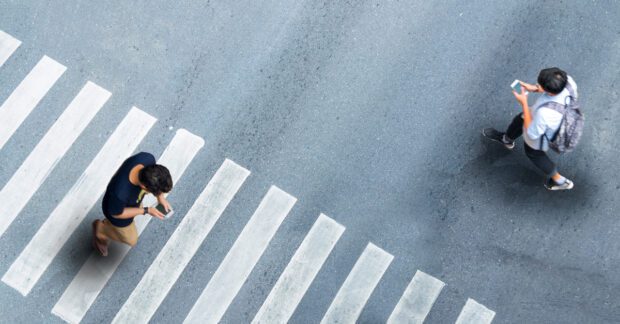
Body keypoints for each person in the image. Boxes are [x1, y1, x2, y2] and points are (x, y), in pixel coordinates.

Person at [483, 67, 578, 190]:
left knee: (534, 153)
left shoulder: (545, 113)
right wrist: (534, 88)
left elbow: (531, 132)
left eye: (540, 84)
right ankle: (507, 139)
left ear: (549, 92)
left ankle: (559, 181)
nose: (537, 84)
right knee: (521, 119)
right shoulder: (568, 81)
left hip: (546, 127)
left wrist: (523, 103)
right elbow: (553, 91)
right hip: (560, 118)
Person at [92, 152, 173, 256]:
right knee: (132, 240)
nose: (158, 194)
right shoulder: (120, 194)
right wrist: (146, 210)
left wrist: (160, 197)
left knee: (138, 206)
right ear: (144, 186)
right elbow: (117, 213)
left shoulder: (147, 159)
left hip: (128, 201)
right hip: (116, 211)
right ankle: (101, 229)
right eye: (155, 192)